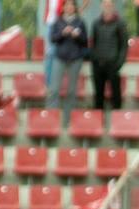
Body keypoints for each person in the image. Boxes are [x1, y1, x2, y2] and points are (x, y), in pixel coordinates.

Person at [48, 0, 89, 128]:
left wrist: (77, 35)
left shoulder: (80, 22)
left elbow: (85, 42)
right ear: (63, 7)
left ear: (75, 7)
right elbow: (52, 39)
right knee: (54, 90)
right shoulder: (58, 22)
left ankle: (68, 121)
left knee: (71, 91)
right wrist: (63, 33)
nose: (69, 7)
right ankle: (51, 119)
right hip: (59, 58)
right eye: (67, 5)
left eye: (72, 5)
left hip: (75, 59)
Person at [89, 0, 130, 113]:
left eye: (110, 5)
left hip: (113, 64)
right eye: (105, 4)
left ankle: (117, 122)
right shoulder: (96, 23)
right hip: (98, 64)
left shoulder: (120, 23)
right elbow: (93, 43)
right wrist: (94, 60)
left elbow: (123, 46)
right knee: (98, 95)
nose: (107, 7)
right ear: (102, 6)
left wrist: (119, 63)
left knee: (116, 95)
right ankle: (98, 122)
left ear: (113, 6)